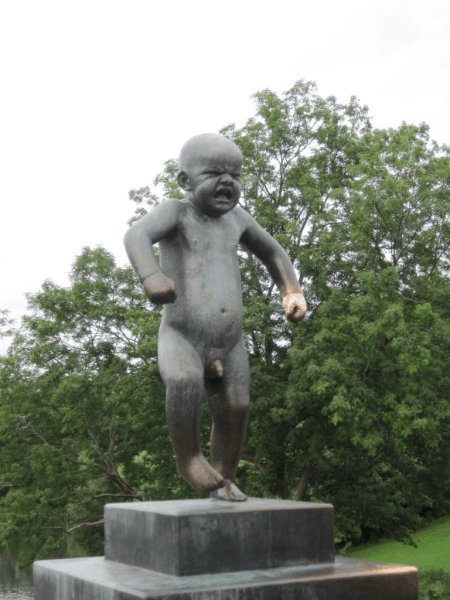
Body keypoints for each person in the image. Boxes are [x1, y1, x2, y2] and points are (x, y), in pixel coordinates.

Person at [124, 133, 306, 501]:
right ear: (185, 181)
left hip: (230, 341)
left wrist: (291, 290)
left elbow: (273, 252)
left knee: (237, 406)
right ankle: (189, 458)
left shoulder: (237, 219)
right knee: (184, 382)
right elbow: (136, 235)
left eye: (235, 176)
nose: (227, 182)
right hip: (182, 335)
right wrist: (151, 276)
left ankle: (223, 477)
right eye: (213, 173)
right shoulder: (176, 211)